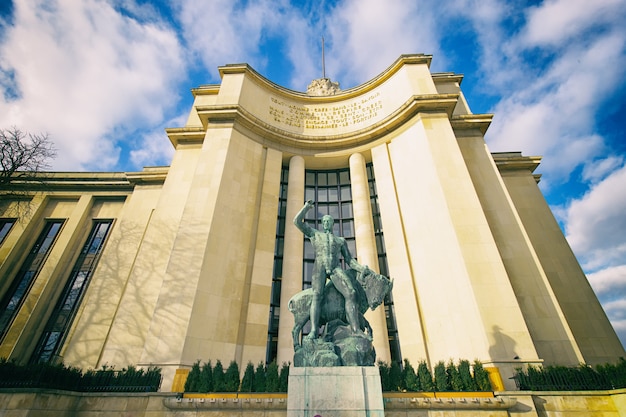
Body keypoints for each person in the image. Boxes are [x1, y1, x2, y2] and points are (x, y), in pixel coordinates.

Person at [293, 200, 369, 340]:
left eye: (329, 221)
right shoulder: (315, 234)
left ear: (332, 224)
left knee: (351, 293)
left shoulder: (340, 240)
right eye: (325, 221)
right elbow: (297, 222)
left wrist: (361, 268)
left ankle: (355, 329)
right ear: (322, 224)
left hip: (335, 268)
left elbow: (349, 260)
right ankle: (314, 331)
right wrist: (306, 207)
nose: (326, 223)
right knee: (317, 296)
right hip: (320, 266)